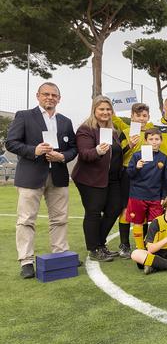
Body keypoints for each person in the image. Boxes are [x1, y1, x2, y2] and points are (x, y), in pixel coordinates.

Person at [6, 82, 77, 278]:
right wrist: (33, 151)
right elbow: (11, 142)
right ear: (38, 96)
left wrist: (62, 157)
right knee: (26, 219)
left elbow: (73, 147)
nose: (50, 98)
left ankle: (61, 254)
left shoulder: (65, 121)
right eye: (46, 94)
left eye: (54, 95)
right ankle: (26, 261)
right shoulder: (24, 116)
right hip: (30, 175)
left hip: (59, 175)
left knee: (60, 218)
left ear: (59, 99)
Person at [72, 95, 123, 262]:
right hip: (90, 179)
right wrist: (98, 151)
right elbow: (85, 154)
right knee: (94, 212)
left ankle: (100, 243)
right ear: (94, 110)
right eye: (101, 109)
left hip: (112, 179)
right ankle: (94, 248)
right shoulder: (85, 129)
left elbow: (115, 154)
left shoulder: (113, 129)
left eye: (108, 109)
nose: (105, 112)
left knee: (114, 209)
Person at [114, 103, 153, 257]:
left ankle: (142, 243)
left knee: (142, 208)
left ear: (148, 117)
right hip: (128, 174)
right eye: (138, 115)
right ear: (132, 116)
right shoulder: (125, 132)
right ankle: (124, 244)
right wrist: (130, 145)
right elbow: (118, 155)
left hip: (147, 174)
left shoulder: (151, 133)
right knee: (125, 208)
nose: (141, 119)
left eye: (144, 116)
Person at [126, 128, 167, 250]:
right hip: (137, 195)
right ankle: (140, 249)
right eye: (151, 139)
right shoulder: (137, 156)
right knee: (138, 222)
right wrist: (137, 167)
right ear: (145, 141)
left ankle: (152, 248)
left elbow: (165, 181)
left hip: (155, 197)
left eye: (157, 139)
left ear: (161, 141)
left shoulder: (164, 158)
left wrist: (163, 196)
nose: (154, 142)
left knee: (155, 224)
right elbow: (129, 174)